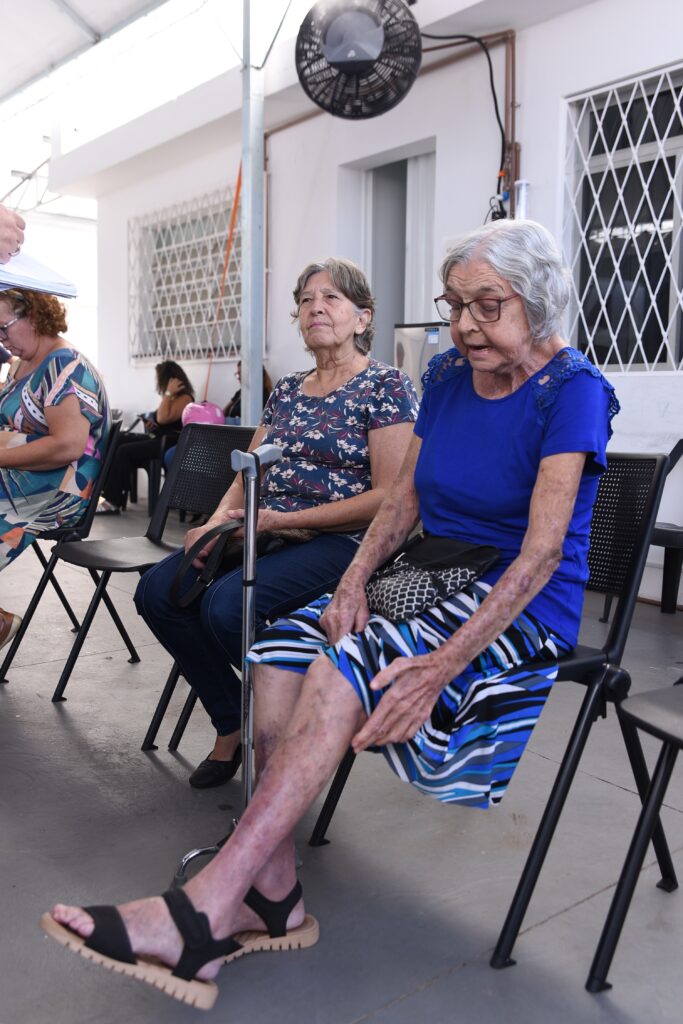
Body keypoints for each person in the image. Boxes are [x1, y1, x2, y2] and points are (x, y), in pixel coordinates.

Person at [42, 220, 619, 1010]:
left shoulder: (571, 387)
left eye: (487, 305)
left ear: (540, 298)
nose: (464, 325)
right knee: (279, 650)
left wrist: (442, 666)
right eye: (454, 305)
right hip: (427, 570)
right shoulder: (449, 375)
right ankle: (275, 890)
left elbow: (543, 551)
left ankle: (204, 911)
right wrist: (351, 582)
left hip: (518, 597)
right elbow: (404, 499)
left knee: (342, 663)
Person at [135, 257, 419, 788]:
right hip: (265, 527)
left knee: (227, 608)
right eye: (306, 300)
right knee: (157, 591)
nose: (316, 307)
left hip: (342, 540)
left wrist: (281, 520)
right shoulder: (287, 389)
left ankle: (293, 718)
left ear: (363, 317)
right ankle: (235, 721)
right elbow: (249, 470)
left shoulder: (386, 386)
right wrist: (214, 525)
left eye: (331, 297)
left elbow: (387, 497)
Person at [0, 287, 110, 649]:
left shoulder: (66, 367)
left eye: (3, 328)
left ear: (33, 316)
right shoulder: (21, 364)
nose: (1, 340)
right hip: (25, 478)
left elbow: (67, 446)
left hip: (57, 489)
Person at [97, 360, 194, 514]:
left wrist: (168, 393)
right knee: (117, 438)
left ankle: (113, 501)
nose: (158, 383)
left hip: (168, 443)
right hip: (158, 438)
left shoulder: (184, 398)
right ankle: (104, 493)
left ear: (169, 379)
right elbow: (162, 422)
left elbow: (163, 418)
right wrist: (152, 426)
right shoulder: (171, 398)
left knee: (124, 451)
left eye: (159, 378)